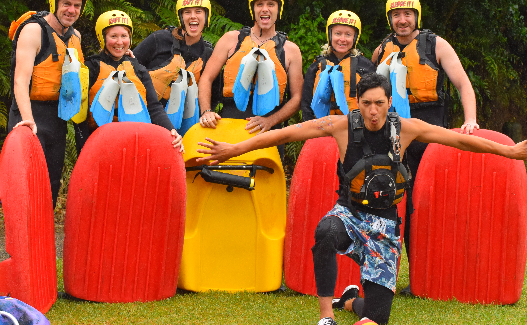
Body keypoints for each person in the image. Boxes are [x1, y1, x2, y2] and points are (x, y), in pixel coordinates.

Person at [195, 73, 527, 325]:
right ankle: (327, 316)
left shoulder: (407, 128)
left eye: (379, 103)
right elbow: (286, 133)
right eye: (366, 103)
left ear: (389, 102)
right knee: (325, 232)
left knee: (376, 317)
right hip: (349, 215)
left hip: (385, 225)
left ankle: (352, 300)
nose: (372, 111)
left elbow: (460, 142)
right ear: (357, 102)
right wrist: (233, 149)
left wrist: (510, 152)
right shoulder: (340, 126)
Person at [371, 0, 479, 293]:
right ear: (390, 19)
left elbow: (462, 84)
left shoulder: (436, 44)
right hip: (394, 131)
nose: (401, 19)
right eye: (396, 14)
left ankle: (428, 274)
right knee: (391, 204)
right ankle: (385, 275)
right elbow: (367, 93)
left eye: (407, 14)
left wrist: (470, 119)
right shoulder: (382, 50)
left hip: (430, 130)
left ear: (416, 17)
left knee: (428, 205)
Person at [8, 0, 88, 208]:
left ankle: (41, 238)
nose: (71, 10)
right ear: (54, 3)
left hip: (57, 116)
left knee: (52, 182)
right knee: (26, 182)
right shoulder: (34, 31)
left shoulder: (75, 37)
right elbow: (20, 81)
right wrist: (27, 120)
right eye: (66, 4)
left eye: (76, 6)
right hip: (29, 112)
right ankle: (22, 242)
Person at [197, 0, 303, 144]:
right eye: (259, 4)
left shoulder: (291, 50)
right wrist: (206, 111)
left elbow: (297, 98)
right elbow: (206, 78)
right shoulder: (231, 40)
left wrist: (271, 121)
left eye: (271, 4)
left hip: (269, 129)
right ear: (252, 9)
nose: (265, 9)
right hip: (230, 120)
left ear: (278, 10)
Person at [74, 10, 183, 153]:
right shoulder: (91, 68)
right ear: (103, 38)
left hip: (134, 141)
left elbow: (154, 107)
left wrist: (171, 130)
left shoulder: (138, 69)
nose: (119, 42)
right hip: (100, 142)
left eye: (124, 36)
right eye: (113, 36)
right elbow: (80, 117)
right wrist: (84, 150)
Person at [132, 0, 216, 135]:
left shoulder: (208, 54)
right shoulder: (159, 39)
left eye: (198, 12)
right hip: (148, 115)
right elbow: (130, 67)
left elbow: (213, 95)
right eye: (187, 12)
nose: (193, 16)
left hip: (184, 125)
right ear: (181, 17)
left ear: (206, 17)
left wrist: (207, 114)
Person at [302, 10, 375, 121]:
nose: (342, 39)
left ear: (355, 37)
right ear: (330, 35)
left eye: (348, 34)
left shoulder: (366, 67)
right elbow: (306, 105)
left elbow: (374, 103)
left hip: (356, 128)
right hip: (323, 127)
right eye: (338, 33)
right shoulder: (315, 67)